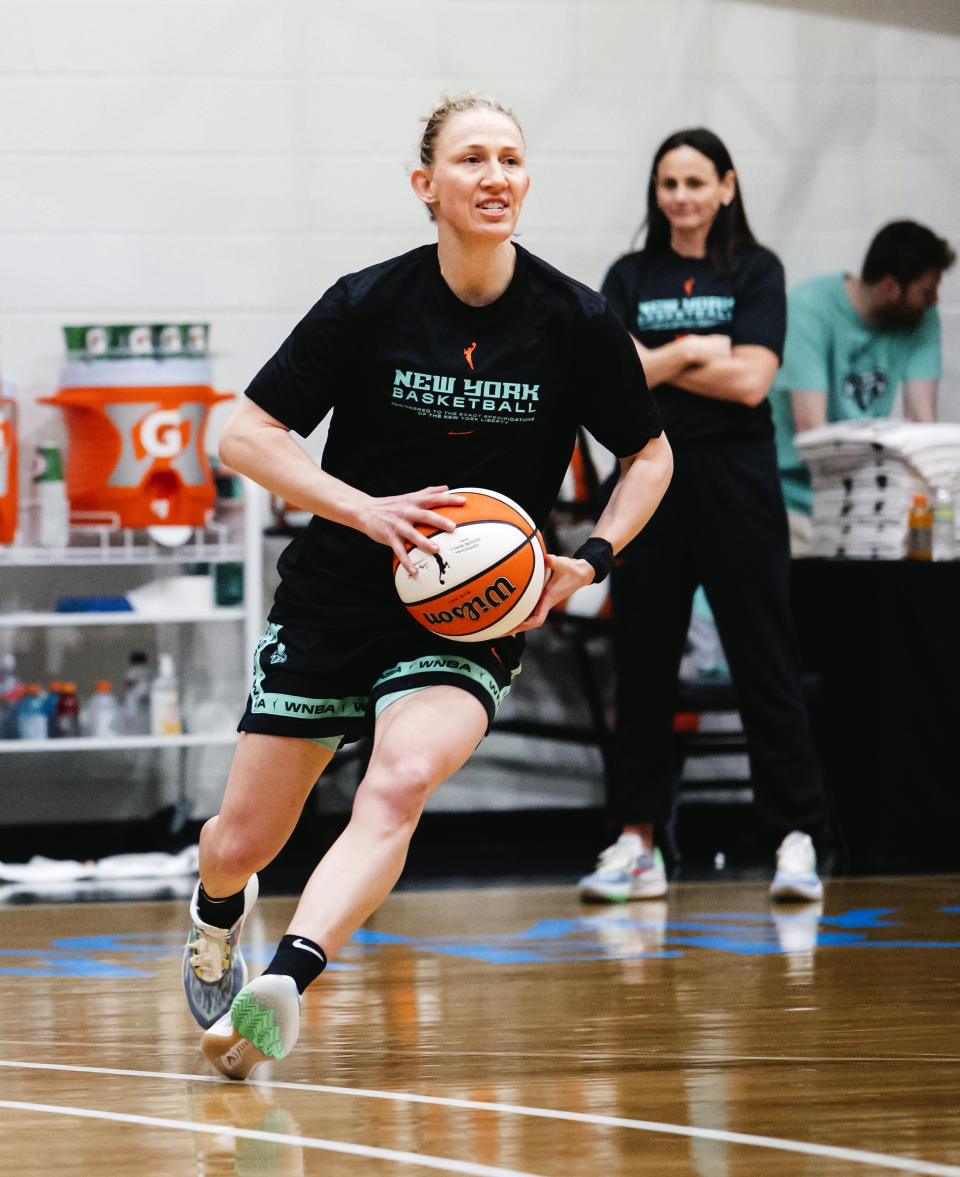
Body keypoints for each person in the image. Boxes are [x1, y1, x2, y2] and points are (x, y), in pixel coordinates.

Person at [183, 93, 672, 1081]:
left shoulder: (576, 320)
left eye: (511, 158)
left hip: (467, 613)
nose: (496, 174)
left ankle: (286, 977)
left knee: (399, 781)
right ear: (427, 186)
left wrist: (594, 557)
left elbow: (651, 455)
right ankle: (218, 908)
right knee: (242, 837)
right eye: (472, 158)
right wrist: (364, 508)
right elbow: (238, 435)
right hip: (337, 591)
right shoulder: (369, 302)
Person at [577, 128, 827, 906]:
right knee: (645, 662)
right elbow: (614, 381)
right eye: (667, 184)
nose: (680, 197)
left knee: (766, 659)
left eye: (694, 182)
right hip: (651, 480)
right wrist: (695, 346)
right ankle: (636, 842)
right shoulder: (629, 273)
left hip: (739, 483)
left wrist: (661, 359)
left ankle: (795, 839)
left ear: (726, 186)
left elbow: (753, 381)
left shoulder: (757, 269)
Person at [771, 220, 955, 550]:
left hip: (873, 496)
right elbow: (813, 433)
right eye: (926, 291)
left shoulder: (920, 316)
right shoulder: (807, 309)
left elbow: (923, 421)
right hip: (795, 496)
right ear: (889, 287)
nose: (934, 300)